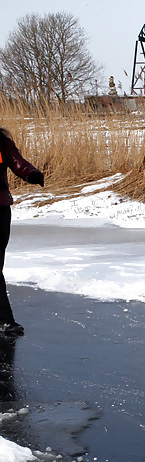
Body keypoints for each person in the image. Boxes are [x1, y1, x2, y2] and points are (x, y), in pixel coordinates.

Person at [0, 128, 44, 337]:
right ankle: (4, 320)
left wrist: (31, 173)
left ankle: (4, 320)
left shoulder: (3, 142)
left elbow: (18, 162)